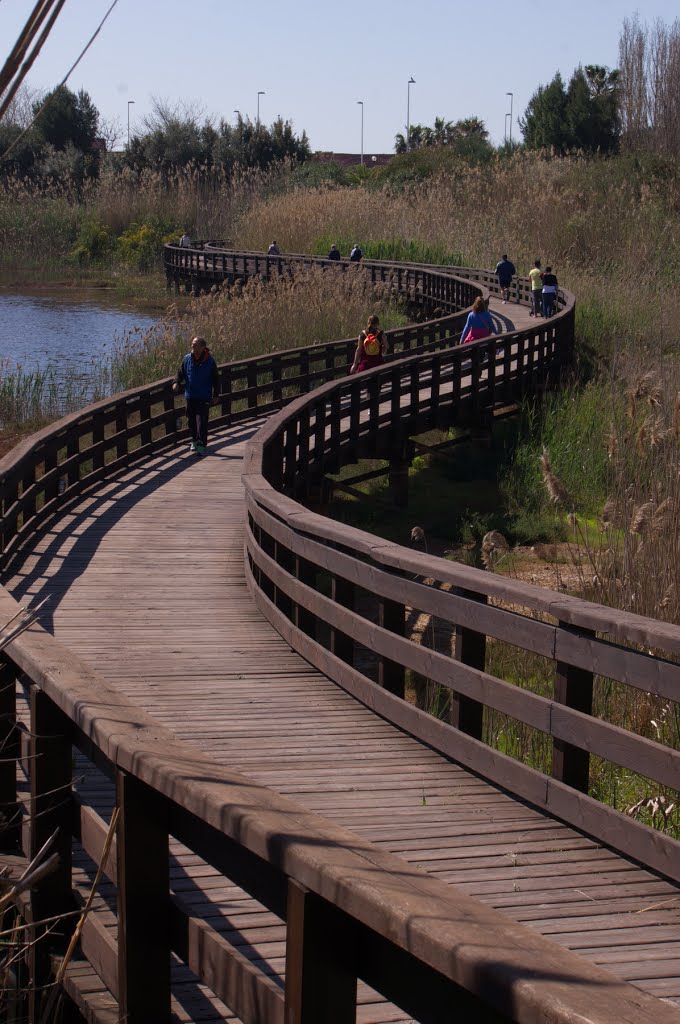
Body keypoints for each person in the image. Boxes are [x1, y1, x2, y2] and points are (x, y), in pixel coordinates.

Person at [172, 336, 220, 454]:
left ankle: (202, 445)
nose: (193, 346)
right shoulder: (187, 359)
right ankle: (194, 440)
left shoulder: (210, 361)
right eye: (192, 344)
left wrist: (216, 394)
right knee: (191, 421)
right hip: (190, 396)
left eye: (196, 344)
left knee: (202, 422)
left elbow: (216, 379)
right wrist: (176, 382)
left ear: (203, 347)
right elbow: (179, 373)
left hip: (204, 396)